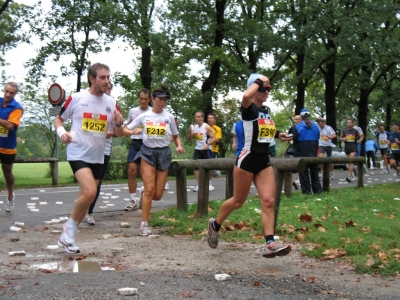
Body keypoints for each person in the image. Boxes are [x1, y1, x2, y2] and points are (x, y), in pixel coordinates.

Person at [207, 73, 292, 258]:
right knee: (238, 201)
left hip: (263, 161)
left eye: (268, 88)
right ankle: (215, 225)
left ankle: (270, 243)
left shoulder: (266, 110)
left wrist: (278, 135)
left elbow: (262, 129)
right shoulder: (248, 107)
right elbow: (246, 96)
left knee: (268, 202)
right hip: (247, 160)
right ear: (253, 88)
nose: (267, 91)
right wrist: (260, 80)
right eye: (263, 88)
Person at [55, 63, 124, 253]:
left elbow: (117, 133)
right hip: (77, 152)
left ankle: (67, 238)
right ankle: (68, 232)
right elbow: (58, 119)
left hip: (97, 156)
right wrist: (62, 133)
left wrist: (118, 124)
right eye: (102, 77)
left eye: (108, 77)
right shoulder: (77, 98)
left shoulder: (111, 103)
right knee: (91, 192)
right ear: (92, 79)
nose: (106, 81)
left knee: (86, 197)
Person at [124, 85, 184, 236]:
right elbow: (126, 128)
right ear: (153, 99)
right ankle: (144, 224)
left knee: (157, 195)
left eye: (164, 100)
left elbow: (176, 135)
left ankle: (144, 193)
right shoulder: (144, 116)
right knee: (150, 189)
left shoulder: (169, 117)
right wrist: (133, 131)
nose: (162, 102)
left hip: (163, 153)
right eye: (159, 99)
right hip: (147, 153)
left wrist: (179, 146)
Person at [84, 82, 119, 225]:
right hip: (88, 148)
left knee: (96, 184)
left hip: (104, 150)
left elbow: (118, 131)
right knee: (86, 182)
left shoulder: (114, 107)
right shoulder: (89, 103)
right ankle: (81, 209)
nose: (107, 90)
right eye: (105, 87)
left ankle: (89, 212)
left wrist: (106, 132)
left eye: (109, 88)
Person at [124, 88, 152, 211]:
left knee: (146, 174)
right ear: (138, 98)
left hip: (148, 144)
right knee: (131, 169)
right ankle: (132, 200)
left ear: (150, 99)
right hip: (135, 142)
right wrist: (128, 131)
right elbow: (127, 126)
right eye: (141, 98)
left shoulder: (153, 112)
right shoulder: (133, 111)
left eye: (145, 99)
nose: (143, 101)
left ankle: (144, 194)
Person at [0, 82, 23, 212]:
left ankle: (10, 196)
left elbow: (9, 125)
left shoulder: (17, 108)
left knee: (7, 174)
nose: (8, 94)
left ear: (15, 94)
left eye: (11, 93)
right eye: (6, 91)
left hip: (7, 147)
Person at [291, 108, 322, 195]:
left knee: (303, 173)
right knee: (314, 172)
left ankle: (307, 192)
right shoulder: (316, 126)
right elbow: (318, 137)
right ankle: (318, 190)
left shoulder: (298, 127)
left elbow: (295, 140)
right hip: (313, 152)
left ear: (301, 116)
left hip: (302, 152)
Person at [187, 111, 216, 192]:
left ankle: (209, 182)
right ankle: (199, 184)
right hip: (198, 149)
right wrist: (191, 132)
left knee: (209, 167)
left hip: (206, 149)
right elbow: (189, 139)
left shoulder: (206, 127)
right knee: (195, 166)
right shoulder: (194, 127)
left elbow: (214, 138)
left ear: (202, 118)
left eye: (198, 117)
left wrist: (207, 144)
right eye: (195, 117)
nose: (196, 118)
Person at [339, 118, 361, 183]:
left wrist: (359, 140)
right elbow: (340, 138)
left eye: (350, 122)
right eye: (348, 122)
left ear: (353, 123)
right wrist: (343, 139)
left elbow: (361, 137)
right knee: (349, 163)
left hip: (353, 147)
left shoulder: (356, 131)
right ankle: (354, 170)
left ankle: (349, 176)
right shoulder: (344, 131)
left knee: (351, 161)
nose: (349, 123)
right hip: (347, 147)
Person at [207, 113, 222, 187]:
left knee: (210, 165)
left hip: (213, 149)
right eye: (208, 118)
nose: (209, 119)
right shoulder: (205, 127)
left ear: (214, 120)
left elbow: (217, 139)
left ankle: (209, 181)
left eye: (211, 118)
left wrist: (209, 143)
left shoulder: (217, 129)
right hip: (204, 148)